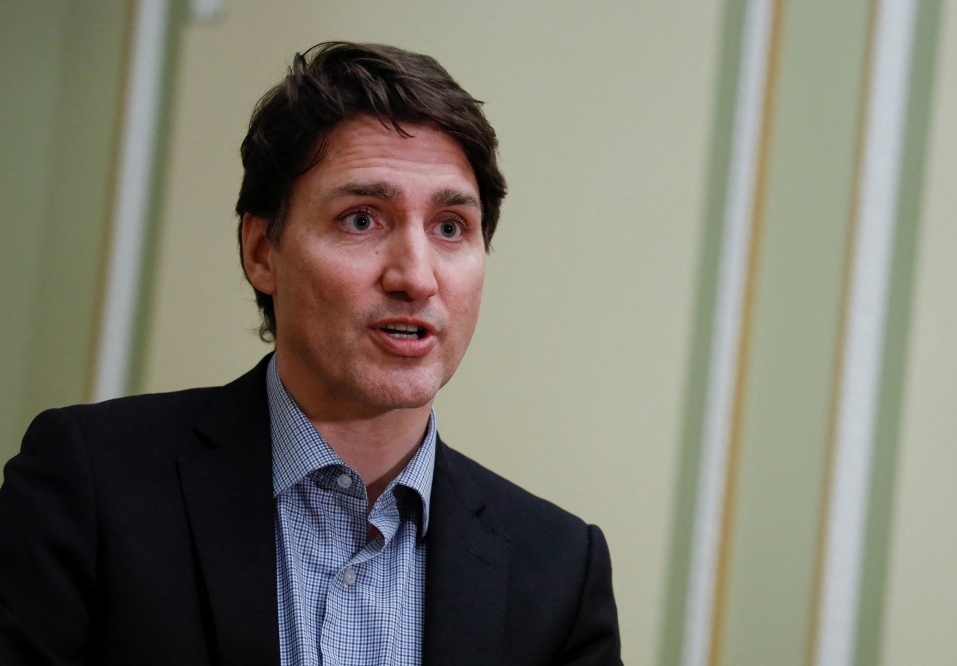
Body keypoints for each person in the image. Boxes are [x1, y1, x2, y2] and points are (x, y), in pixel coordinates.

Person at [0, 42, 621, 665]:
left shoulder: (561, 572)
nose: (416, 276)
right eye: (362, 220)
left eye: (450, 227)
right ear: (261, 252)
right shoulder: (89, 483)